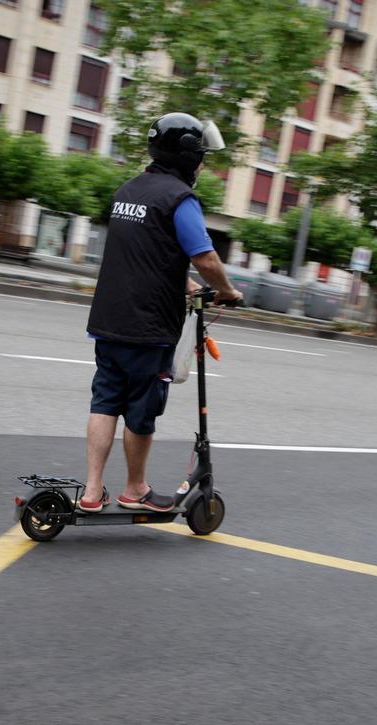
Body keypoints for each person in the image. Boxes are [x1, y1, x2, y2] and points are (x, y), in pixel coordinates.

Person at [79, 112, 243, 514]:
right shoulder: (179, 199)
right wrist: (226, 291)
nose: (202, 165)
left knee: (105, 403)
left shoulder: (128, 191)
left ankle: (92, 491)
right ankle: (135, 489)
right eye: (201, 157)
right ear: (187, 157)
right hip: (148, 328)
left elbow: (145, 253)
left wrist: (186, 285)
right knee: (142, 411)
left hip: (108, 321)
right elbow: (205, 258)